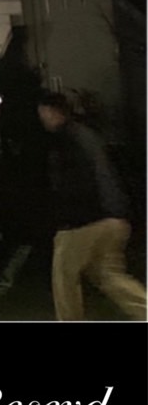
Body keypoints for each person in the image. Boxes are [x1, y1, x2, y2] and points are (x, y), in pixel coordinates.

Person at [37, 90, 146, 322]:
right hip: (115, 218)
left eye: (43, 113)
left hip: (86, 221)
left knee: (64, 276)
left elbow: (76, 183)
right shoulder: (87, 134)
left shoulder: (66, 140)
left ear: (51, 111)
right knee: (110, 276)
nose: (42, 118)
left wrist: (64, 216)